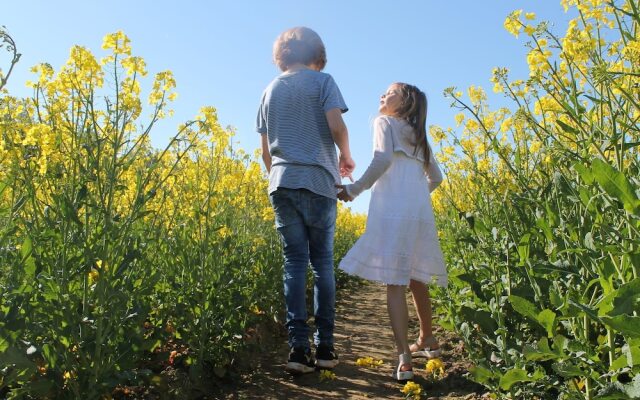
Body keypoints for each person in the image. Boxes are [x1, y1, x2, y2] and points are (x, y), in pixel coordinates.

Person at [256, 26, 355, 375]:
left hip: (282, 182)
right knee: (322, 263)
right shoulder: (323, 81)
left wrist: (278, 175)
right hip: (317, 181)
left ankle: (298, 350)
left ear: (282, 55)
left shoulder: (269, 90)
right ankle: (325, 347)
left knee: (294, 264)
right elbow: (336, 124)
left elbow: (266, 151)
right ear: (316, 56)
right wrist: (345, 155)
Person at [336, 82, 447, 382]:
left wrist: (354, 189)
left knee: (394, 282)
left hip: (392, 211)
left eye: (390, 92)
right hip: (418, 211)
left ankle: (405, 359)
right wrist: (416, 197)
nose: (382, 95)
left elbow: (382, 159)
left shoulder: (384, 121)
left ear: (406, 101)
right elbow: (436, 177)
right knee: (416, 278)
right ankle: (428, 339)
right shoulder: (419, 136)